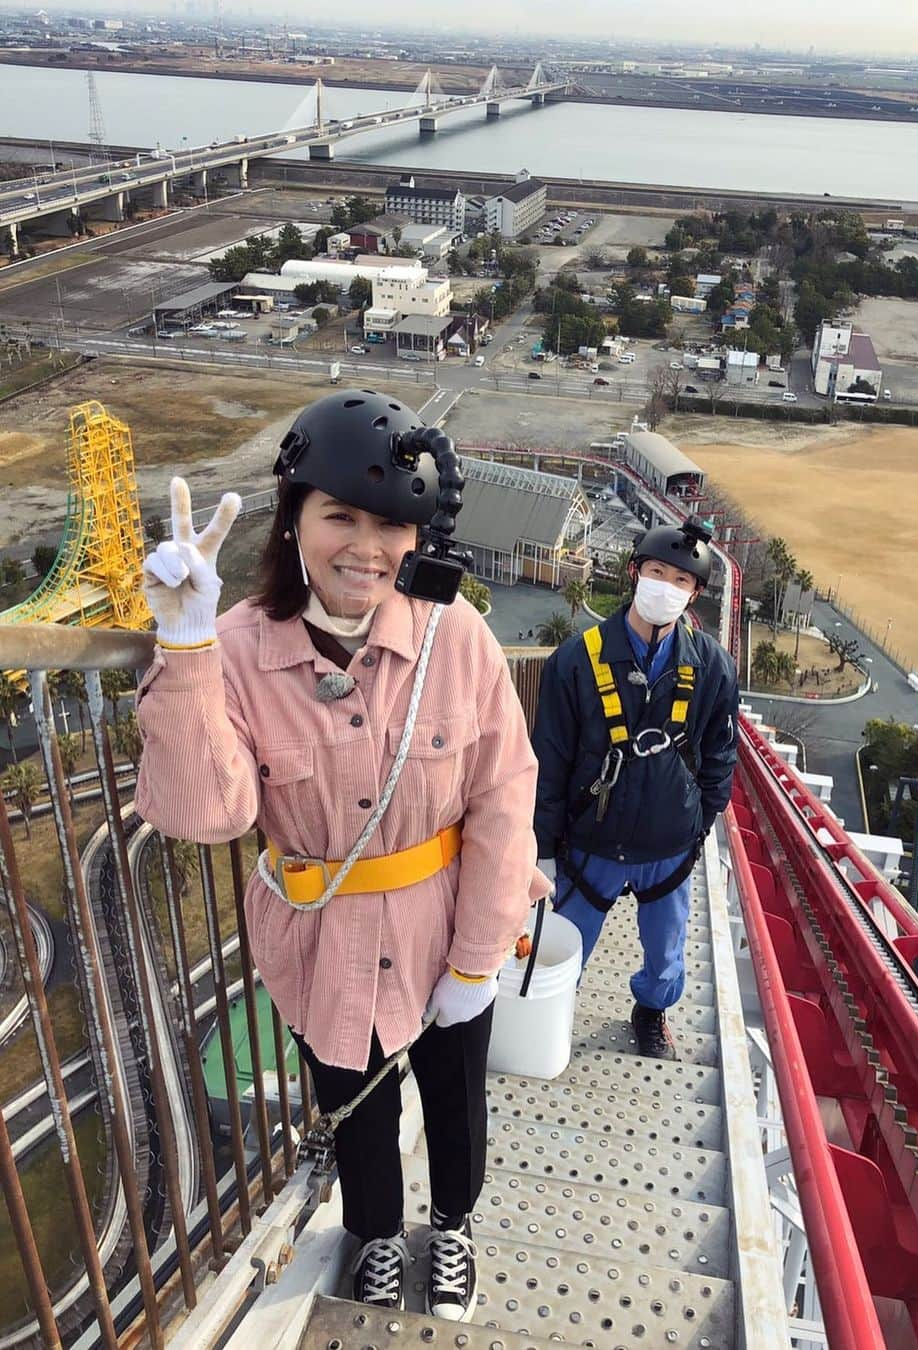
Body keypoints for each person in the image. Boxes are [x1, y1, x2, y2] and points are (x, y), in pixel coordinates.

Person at [134, 391, 547, 1320]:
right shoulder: (236, 649)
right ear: (294, 520)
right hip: (321, 938)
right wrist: (187, 643)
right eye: (341, 517)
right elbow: (209, 812)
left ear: (419, 536)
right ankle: (373, 1240)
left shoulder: (459, 638)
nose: (367, 547)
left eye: (392, 524)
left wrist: (480, 957)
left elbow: (503, 794)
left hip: (446, 919)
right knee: (353, 1107)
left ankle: (452, 1228)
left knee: (454, 1096)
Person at [531, 518, 740, 1060]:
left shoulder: (712, 668)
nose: (666, 588)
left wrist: (698, 826)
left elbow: (720, 754)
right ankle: (548, 1012)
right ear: (634, 573)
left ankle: (651, 1011)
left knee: (666, 948)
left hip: (667, 843)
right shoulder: (575, 661)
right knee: (564, 943)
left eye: (681, 581)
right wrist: (542, 847)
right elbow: (549, 759)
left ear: (694, 593)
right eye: (656, 572)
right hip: (588, 840)